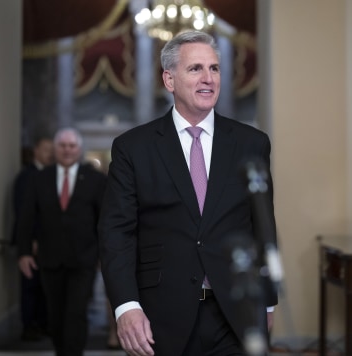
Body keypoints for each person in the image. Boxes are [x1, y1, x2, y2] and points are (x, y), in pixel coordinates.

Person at [98, 30, 278, 356]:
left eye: (214, 68)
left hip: (235, 314)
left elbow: (263, 227)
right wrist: (126, 306)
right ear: (169, 80)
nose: (208, 78)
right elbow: (116, 234)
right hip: (160, 315)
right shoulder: (133, 148)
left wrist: (267, 303)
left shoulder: (252, 143)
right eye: (195, 69)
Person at [17, 127, 107, 356]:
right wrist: (24, 252)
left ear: (79, 149)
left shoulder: (96, 180)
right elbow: (27, 216)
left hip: (84, 259)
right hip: (49, 258)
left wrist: (104, 254)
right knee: (55, 314)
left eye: (72, 146)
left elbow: (104, 219)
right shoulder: (39, 178)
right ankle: (61, 352)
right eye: (63, 146)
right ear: (55, 149)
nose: (67, 150)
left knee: (76, 312)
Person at [12, 136, 54, 341]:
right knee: (30, 287)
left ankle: (42, 324)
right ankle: (29, 327)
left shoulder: (48, 174)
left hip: (47, 243)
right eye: (46, 149)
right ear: (36, 150)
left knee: (43, 287)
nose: (51, 153)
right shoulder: (27, 176)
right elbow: (24, 213)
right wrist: (29, 242)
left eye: (51, 149)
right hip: (32, 244)